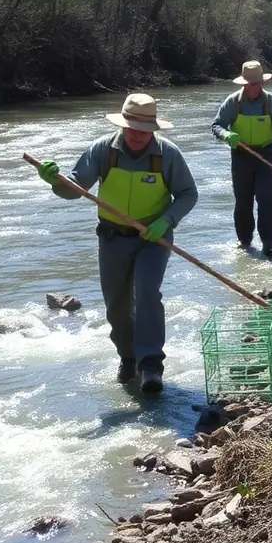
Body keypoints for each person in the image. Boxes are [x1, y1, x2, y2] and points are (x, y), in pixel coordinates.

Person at [37, 93, 198, 393]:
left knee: (148, 292)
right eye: (132, 127)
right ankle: (128, 357)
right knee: (117, 306)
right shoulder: (103, 150)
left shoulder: (167, 154)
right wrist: (54, 181)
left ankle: (151, 365)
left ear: (153, 129)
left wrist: (167, 221)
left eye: (144, 129)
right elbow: (75, 189)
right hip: (112, 238)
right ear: (122, 124)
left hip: (154, 237)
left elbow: (188, 194)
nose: (137, 135)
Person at [211, 60, 272, 257]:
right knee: (243, 200)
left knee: (265, 197)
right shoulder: (233, 102)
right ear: (242, 84)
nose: (251, 88)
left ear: (262, 84)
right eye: (247, 85)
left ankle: (269, 241)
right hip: (241, 157)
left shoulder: (271, 102)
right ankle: (245, 241)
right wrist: (225, 135)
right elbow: (216, 125)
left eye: (255, 84)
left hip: (266, 155)